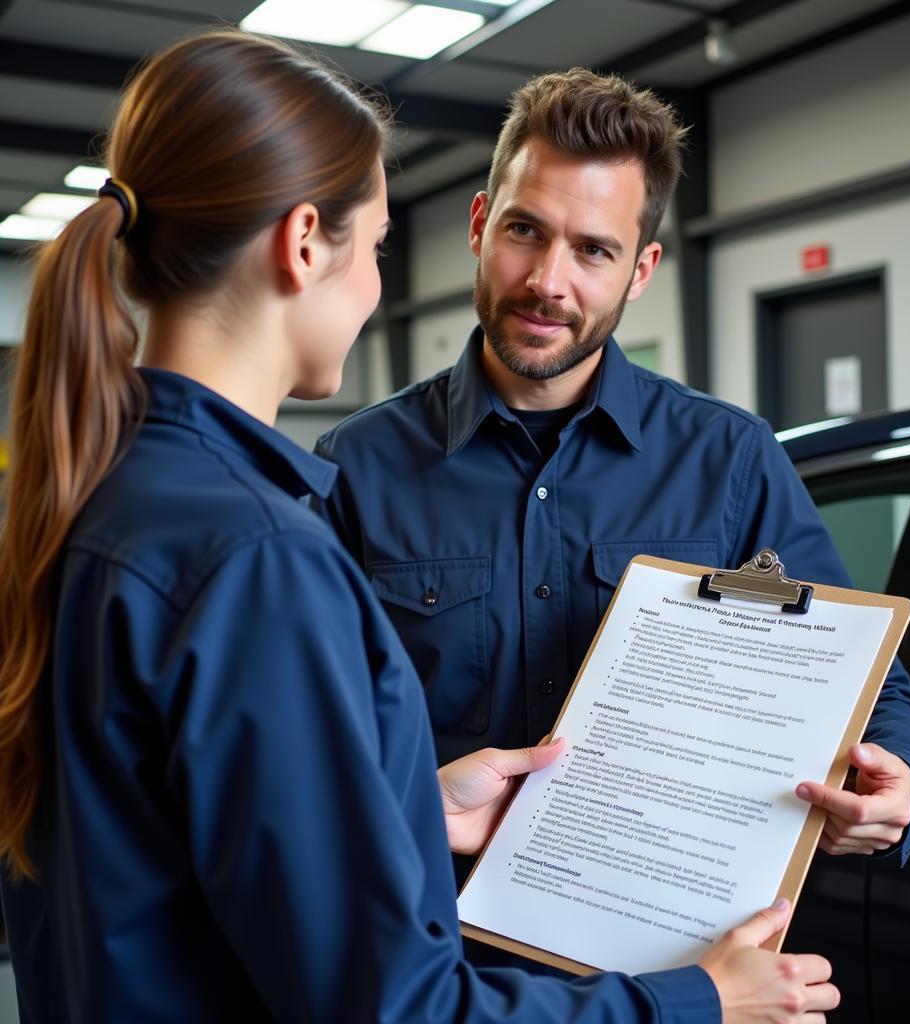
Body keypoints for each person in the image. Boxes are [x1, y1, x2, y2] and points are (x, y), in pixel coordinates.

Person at [0, 29, 839, 1024]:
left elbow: (199, 832)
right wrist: (695, 1002)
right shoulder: (263, 551)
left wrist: (411, 808)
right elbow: (396, 1008)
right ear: (305, 241)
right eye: (381, 246)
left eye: (594, 249)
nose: (376, 285)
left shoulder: (104, 492)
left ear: (641, 266)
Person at [311, 69, 910, 884]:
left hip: (659, 948)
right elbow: (302, 732)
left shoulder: (729, 461)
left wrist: (907, 783)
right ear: (480, 224)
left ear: (640, 270)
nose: (548, 281)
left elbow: (861, 676)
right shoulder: (356, 465)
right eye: (525, 231)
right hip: (431, 944)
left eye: (593, 250)